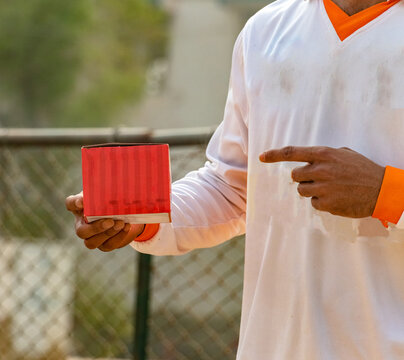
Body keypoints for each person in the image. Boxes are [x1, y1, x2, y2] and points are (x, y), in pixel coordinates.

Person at [66, 0, 404, 358]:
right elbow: (232, 188)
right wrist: (141, 215)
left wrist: (387, 193)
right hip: (272, 346)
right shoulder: (265, 32)